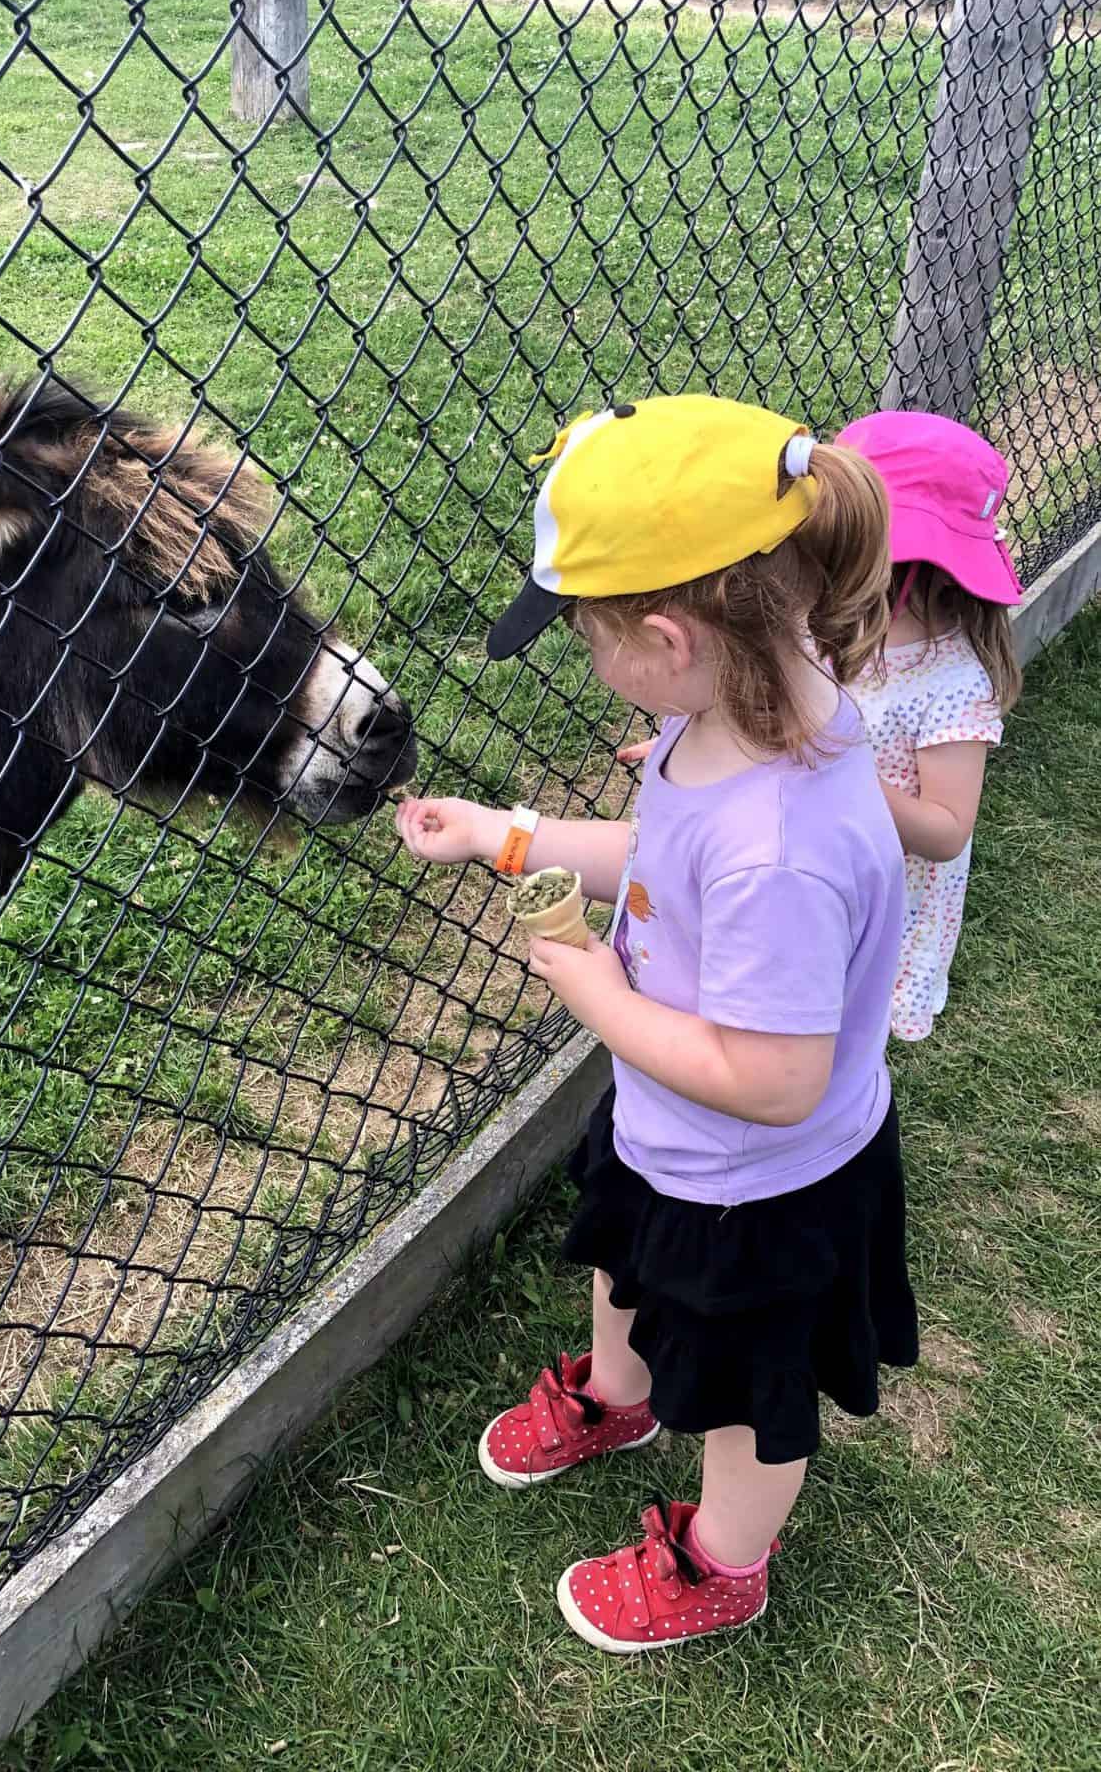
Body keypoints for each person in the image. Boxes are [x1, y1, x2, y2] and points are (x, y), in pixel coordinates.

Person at [396, 397, 917, 1653]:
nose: (582, 654)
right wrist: (507, 833)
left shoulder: (782, 848)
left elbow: (774, 1076)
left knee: (748, 1393)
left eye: (581, 633)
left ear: (664, 636)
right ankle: (619, 1397)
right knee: (626, 1260)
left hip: (767, 1179)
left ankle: (724, 1559)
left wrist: (601, 999)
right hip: (676, 1131)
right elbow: (659, 857)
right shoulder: (729, 722)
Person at [836, 410, 1023, 1042]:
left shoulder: (952, 684)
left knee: (853, 1002)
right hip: (825, 848)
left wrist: (842, 777)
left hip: (892, 878)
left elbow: (945, 832)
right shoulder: (827, 628)